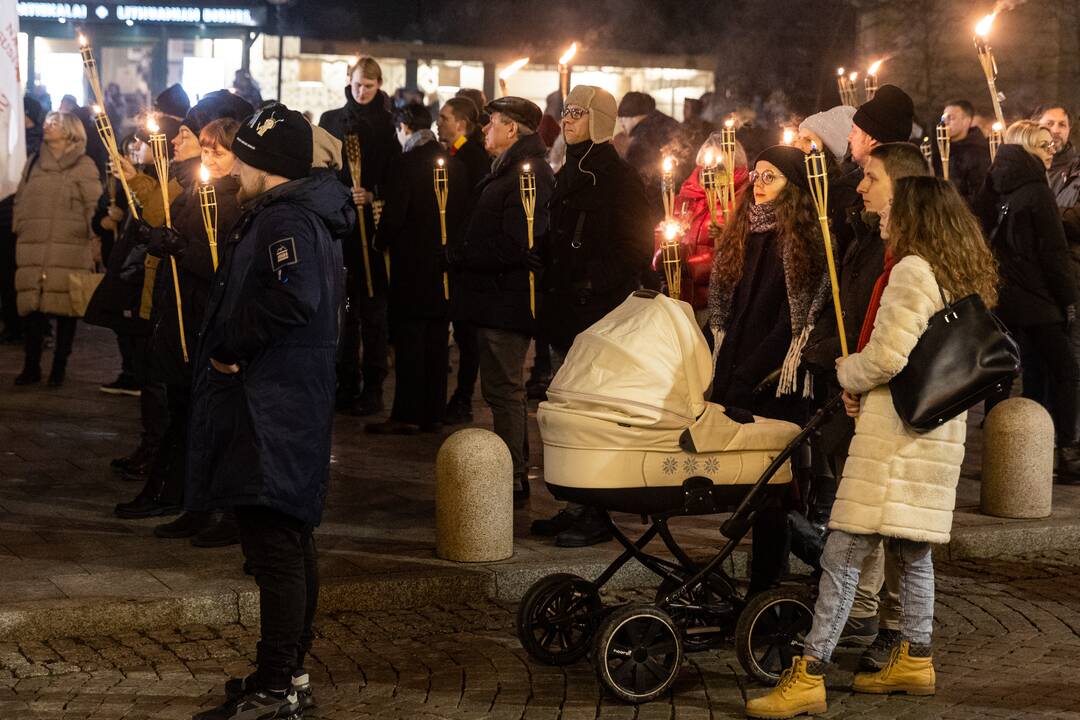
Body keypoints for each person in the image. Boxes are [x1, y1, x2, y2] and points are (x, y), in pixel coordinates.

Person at [745, 176, 999, 718]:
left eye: (892, 209)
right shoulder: (956, 272)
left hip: (894, 442)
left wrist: (846, 372)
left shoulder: (911, 271)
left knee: (843, 553)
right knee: (912, 552)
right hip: (931, 437)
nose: (882, 215)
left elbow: (886, 357)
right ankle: (915, 658)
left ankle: (809, 673)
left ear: (914, 218)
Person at [187, 103, 350, 720]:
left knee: (276, 545)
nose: (238, 169)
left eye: (248, 158)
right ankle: (287, 673)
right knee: (286, 540)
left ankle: (277, 688)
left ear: (271, 165)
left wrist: (231, 347)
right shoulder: (289, 212)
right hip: (281, 399)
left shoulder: (288, 219)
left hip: (273, 403)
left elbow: (293, 299)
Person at [115, 93, 252, 523]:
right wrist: (153, 236)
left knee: (194, 411)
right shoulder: (192, 185)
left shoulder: (230, 198)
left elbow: (219, 263)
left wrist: (175, 245)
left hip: (200, 318)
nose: (178, 140)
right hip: (178, 314)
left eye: (194, 136)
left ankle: (189, 496)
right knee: (180, 407)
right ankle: (173, 489)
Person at [530, 85, 653, 546]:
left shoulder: (618, 178)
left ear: (599, 118)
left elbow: (637, 246)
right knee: (567, 413)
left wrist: (591, 283)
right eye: (565, 112)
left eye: (578, 113)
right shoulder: (568, 170)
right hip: (564, 312)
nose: (567, 119)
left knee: (591, 416)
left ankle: (596, 512)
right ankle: (576, 503)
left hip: (596, 315)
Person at [706, 145, 829, 597]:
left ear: (792, 188)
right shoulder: (742, 232)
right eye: (756, 175)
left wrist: (750, 370)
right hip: (734, 367)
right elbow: (728, 303)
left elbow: (790, 322)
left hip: (777, 378)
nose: (757, 184)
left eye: (770, 177)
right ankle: (787, 563)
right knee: (747, 484)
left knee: (772, 486)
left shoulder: (803, 241)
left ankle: (774, 578)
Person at [447, 97, 554, 507]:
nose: (484, 130)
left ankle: (512, 477)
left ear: (512, 130)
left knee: (505, 391)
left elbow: (517, 242)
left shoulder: (529, 174)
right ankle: (511, 472)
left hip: (507, 301)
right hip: (493, 298)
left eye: (491, 124)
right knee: (497, 389)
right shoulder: (507, 170)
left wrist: (461, 253)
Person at [975, 121, 1080, 478]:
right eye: (1043, 145)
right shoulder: (1037, 189)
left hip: (1003, 295)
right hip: (1037, 299)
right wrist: (1068, 299)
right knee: (1066, 370)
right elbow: (1053, 253)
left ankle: (994, 452)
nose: (1051, 151)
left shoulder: (996, 183)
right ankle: (1068, 453)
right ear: (1026, 148)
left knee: (1001, 373)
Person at [366, 103, 468, 434]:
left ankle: (407, 413)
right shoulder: (454, 164)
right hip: (444, 266)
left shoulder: (406, 163)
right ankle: (433, 412)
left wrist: (379, 241)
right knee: (438, 341)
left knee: (410, 339)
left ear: (405, 128)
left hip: (412, 266)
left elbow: (395, 215)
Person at [318, 56, 399, 416]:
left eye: (368, 86)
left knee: (372, 309)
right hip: (342, 223)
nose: (362, 91)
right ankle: (344, 379)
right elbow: (321, 169)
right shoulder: (332, 120)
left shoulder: (386, 125)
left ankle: (374, 384)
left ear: (378, 85)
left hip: (373, 228)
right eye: (357, 85)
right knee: (344, 310)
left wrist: (374, 191)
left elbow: (396, 173)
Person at [12, 111, 102, 386]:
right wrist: (21, 228)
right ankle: (31, 366)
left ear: (71, 131)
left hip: (70, 245)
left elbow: (93, 207)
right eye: (47, 121)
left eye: (55, 122)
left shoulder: (84, 165)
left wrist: (94, 240)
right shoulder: (34, 163)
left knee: (66, 306)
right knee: (33, 307)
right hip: (35, 243)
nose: (47, 125)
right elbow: (21, 199)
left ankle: (59, 367)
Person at [436, 96, 490, 426]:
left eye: (444, 117)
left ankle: (464, 396)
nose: (439, 122)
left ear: (461, 124)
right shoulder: (453, 152)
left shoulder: (471, 157)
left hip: (465, 254)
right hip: (453, 252)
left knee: (468, 333)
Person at [669, 132, 750, 318]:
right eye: (706, 164)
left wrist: (695, 266)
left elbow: (743, 249)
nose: (710, 170)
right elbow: (667, 229)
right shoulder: (688, 195)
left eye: (717, 165)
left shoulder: (743, 199)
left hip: (716, 299)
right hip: (680, 294)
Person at [0, 96, 46, 345]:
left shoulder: (37, 143)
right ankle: (13, 323)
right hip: (5, 215)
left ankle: (29, 327)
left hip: (22, 218)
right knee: (7, 276)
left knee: (23, 276)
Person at [618, 91, 682, 224]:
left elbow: (631, 179)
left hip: (654, 209)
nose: (621, 124)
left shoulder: (643, 137)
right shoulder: (670, 124)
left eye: (622, 118)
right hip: (679, 203)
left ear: (632, 116)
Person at [932, 100, 990, 206]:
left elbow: (979, 195)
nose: (946, 122)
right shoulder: (940, 149)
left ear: (966, 121)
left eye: (951, 118)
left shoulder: (978, 153)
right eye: (944, 118)